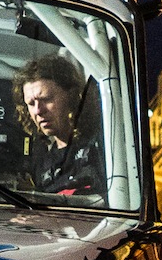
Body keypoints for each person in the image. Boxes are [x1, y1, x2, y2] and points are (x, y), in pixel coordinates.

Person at [16, 54, 104, 197]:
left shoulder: (100, 146)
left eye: (46, 99)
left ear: (72, 96)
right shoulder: (42, 163)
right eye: (31, 104)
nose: (38, 110)